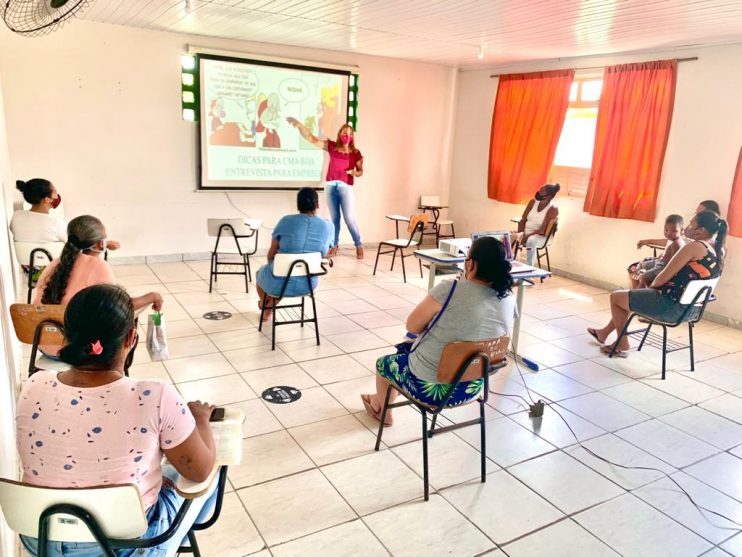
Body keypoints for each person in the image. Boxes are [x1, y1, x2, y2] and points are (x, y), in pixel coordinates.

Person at [16, 284, 218, 556]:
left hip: (41, 538)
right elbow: (200, 470)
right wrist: (201, 419)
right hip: (126, 548)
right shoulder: (155, 396)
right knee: (211, 472)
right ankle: (169, 545)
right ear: (130, 338)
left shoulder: (33, 385)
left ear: (66, 336)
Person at [361, 236, 515, 425]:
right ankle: (378, 401)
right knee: (408, 355)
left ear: (471, 264)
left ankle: (381, 409)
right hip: (473, 385)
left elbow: (412, 326)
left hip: (432, 388)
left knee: (386, 363)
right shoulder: (508, 297)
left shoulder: (450, 289)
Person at [588, 211, 727, 357]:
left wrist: (648, 288)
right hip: (692, 310)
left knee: (616, 298)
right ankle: (603, 333)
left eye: (691, 225)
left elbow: (662, 277)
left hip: (671, 307)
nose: (687, 228)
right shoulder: (719, 249)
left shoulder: (694, 247)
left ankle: (622, 343)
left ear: (702, 230)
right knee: (629, 298)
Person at [33, 215, 159, 311]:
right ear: (100, 243)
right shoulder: (98, 266)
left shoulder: (56, 263)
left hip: (43, 337)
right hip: (77, 342)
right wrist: (151, 297)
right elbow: (118, 308)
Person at [286, 117, 364, 259]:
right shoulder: (332, 146)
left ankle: (358, 245)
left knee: (349, 219)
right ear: (340, 134)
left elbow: (360, 171)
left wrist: (354, 172)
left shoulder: (355, 153)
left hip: (345, 187)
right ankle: (334, 246)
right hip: (330, 187)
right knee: (335, 219)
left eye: (350, 134)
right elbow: (311, 138)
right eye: (345, 133)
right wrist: (299, 125)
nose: (348, 136)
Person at [255, 188, 334, 320]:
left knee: (261, 273)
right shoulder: (328, 226)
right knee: (283, 275)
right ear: (317, 204)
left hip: (279, 283)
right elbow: (326, 253)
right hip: (309, 284)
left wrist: (276, 265)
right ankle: (268, 306)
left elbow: (270, 255)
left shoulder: (286, 221)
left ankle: (266, 305)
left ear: (298, 205)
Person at [10, 178, 121, 249]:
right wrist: (105, 244)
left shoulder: (16, 216)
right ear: (47, 199)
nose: (57, 195)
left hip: (29, 271)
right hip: (54, 273)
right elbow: (79, 243)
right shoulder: (55, 224)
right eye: (55, 192)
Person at [630, 214, 685, 288]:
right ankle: (636, 288)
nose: (669, 233)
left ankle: (638, 291)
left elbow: (672, 263)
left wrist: (663, 262)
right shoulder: (672, 239)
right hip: (659, 261)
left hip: (663, 266)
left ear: (682, 230)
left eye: (674, 231)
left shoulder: (677, 243)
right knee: (639, 265)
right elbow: (667, 251)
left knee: (645, 276)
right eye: (666, 230)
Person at [513, 183, 560, 266]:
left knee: (531, 240)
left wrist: (524, 238)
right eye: (539, 189)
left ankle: (529, 269)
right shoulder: (532, 202)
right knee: (507, 236)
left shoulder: (553, 208)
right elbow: (522, 220)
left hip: (541, 236)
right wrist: (520, 235)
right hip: (525, 232)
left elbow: (542, 230)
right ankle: (509, 265)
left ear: (549, 196)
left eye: (542, 191)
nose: (538, 192)